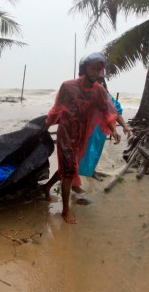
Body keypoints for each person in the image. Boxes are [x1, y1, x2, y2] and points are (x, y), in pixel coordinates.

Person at [42, 52, 121, 224]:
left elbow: (107, 112)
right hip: (66, 133)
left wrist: (113, 130)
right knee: (69, 170)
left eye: (100, 69)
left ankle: (46, 187)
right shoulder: (68, 86)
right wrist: (45, 129)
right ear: (85, 68)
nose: (97, 73)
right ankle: (65, 211)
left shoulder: (99, 91)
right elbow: (56, 109)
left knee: (69, 167)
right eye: (94, 68)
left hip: (81, 135)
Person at [76, 76, 131, 185]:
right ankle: (74, 180)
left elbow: (116, 112)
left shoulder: (108, 97)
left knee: (96, 152)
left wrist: (125, 126)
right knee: (82, 154)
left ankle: (91, 171)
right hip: (86, 129)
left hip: (101, 131)